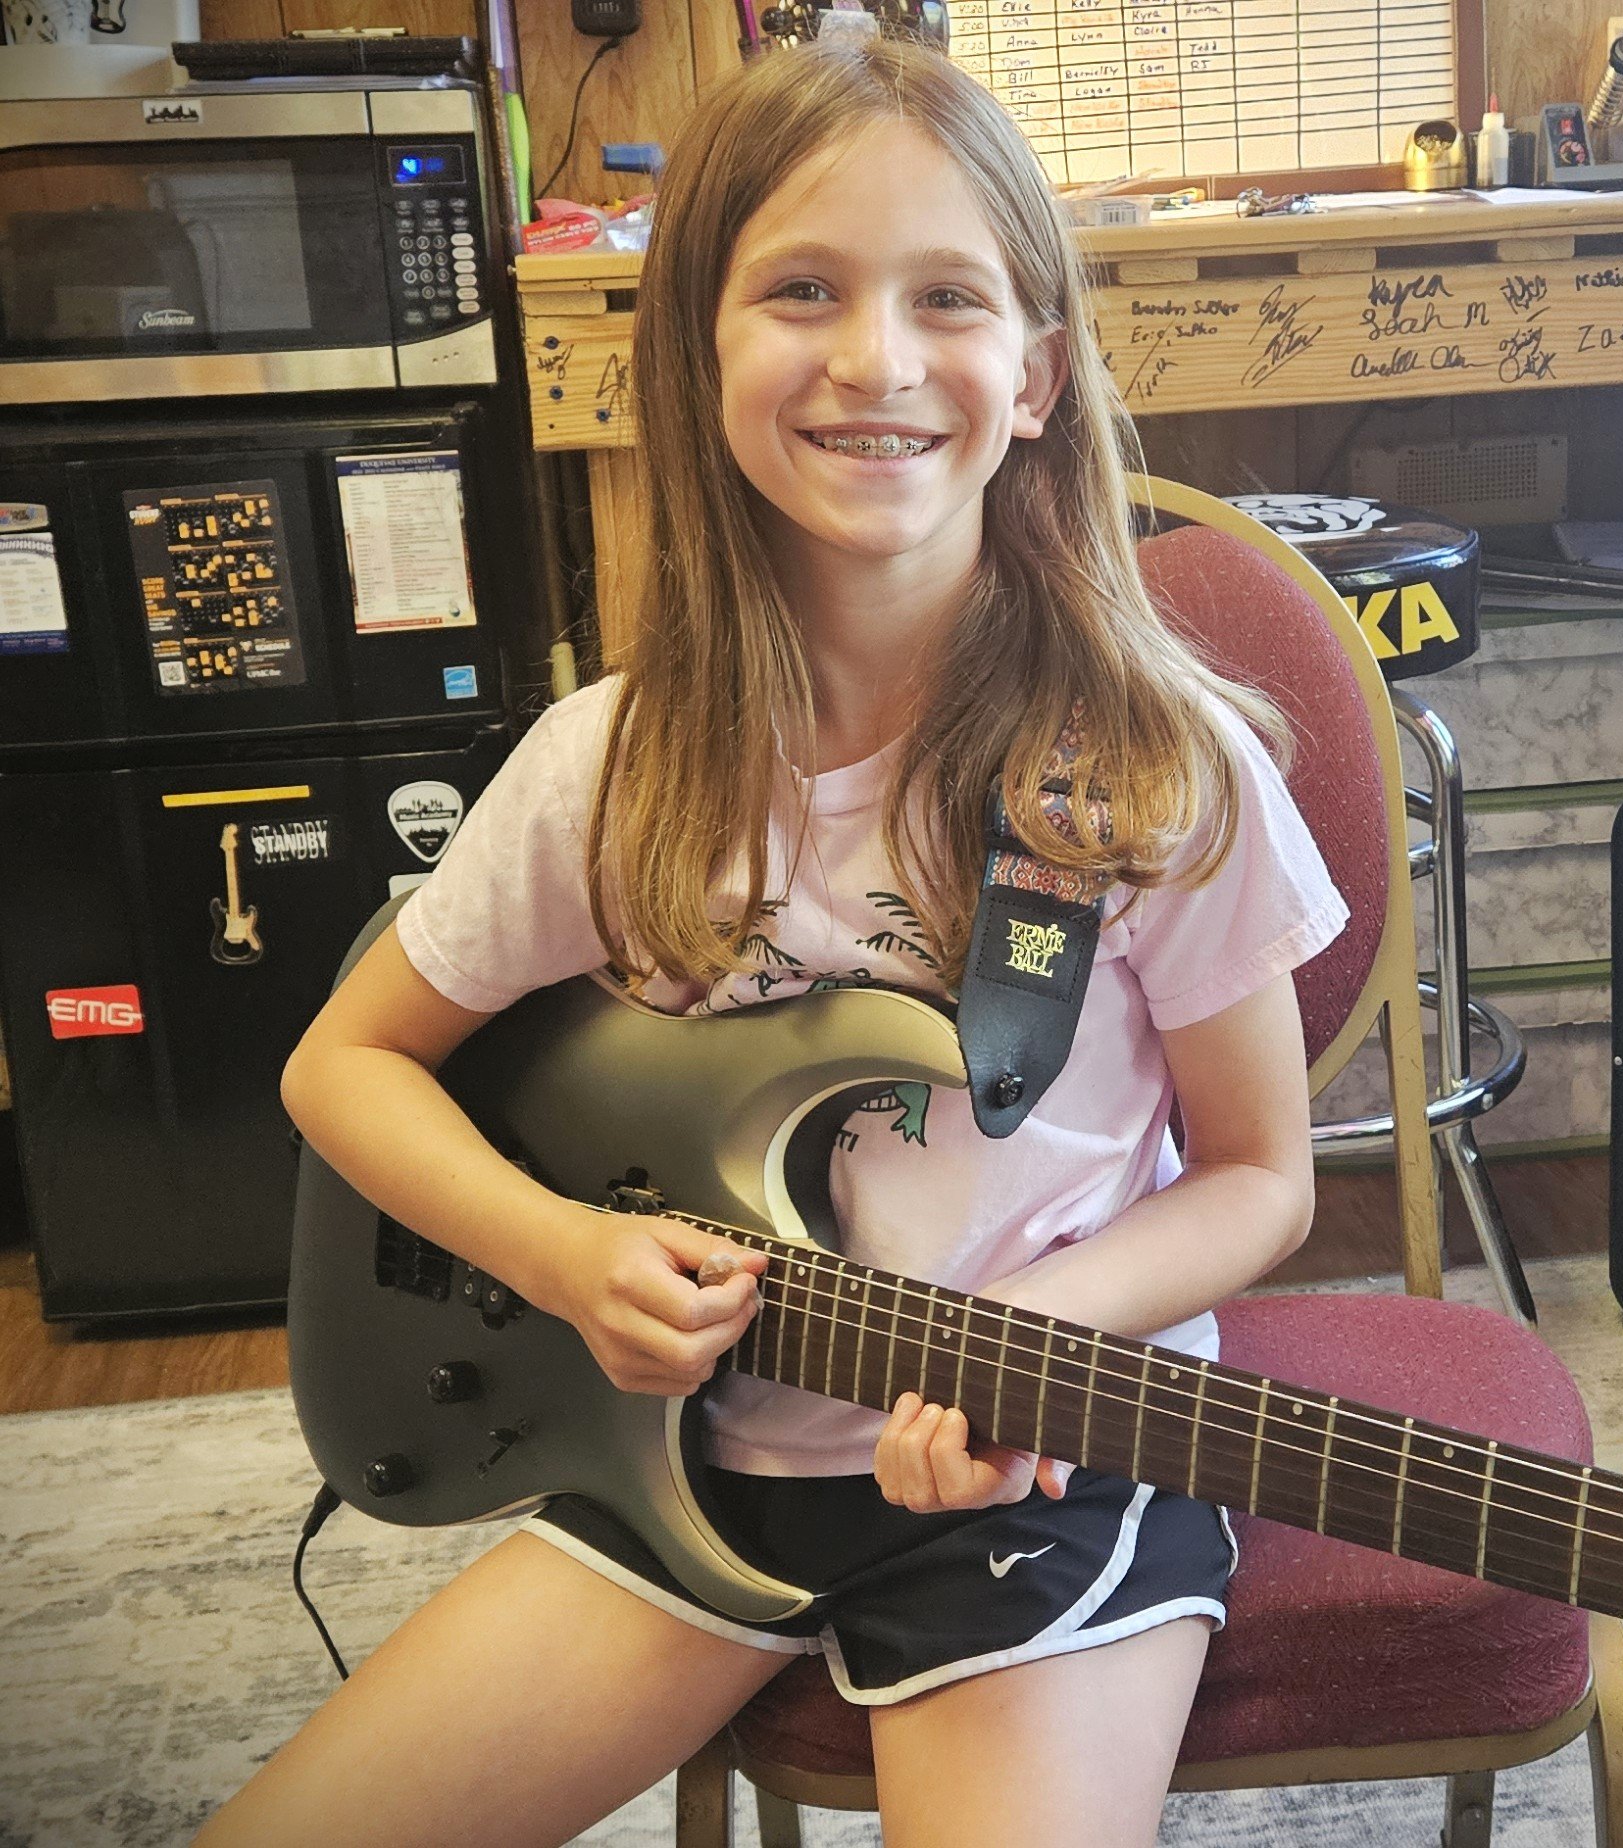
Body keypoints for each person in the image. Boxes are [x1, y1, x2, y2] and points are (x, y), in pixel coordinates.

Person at [198, 33, 1343, 1848]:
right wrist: (570, 1257)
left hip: (1045, 1460)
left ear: (1037, 375)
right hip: (683, 1461)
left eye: (947, 298)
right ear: (700, 354)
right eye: (801, 289)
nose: (876, 360)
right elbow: (341, 1063)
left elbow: (1263, 1179)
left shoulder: (1140, 764)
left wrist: (1029, 1334)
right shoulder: (610, 766)